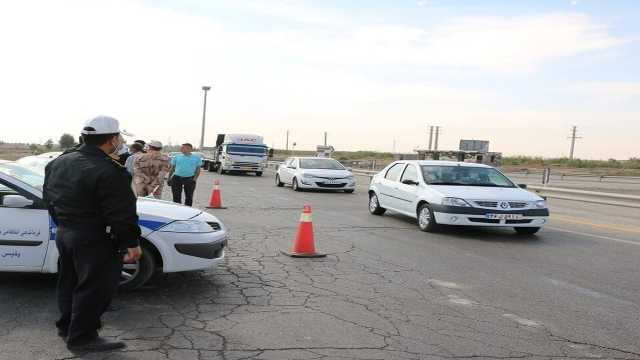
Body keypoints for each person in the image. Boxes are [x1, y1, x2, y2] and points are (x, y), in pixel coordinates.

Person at [43, 115, 142, 352]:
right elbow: (120, 212)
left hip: (66, 232)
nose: (119, 141)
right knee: (95, 288)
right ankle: (82, 337)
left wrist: (65, 224)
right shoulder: (109, 170)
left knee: (69, 282)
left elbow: (49, 198)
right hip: (95, 238)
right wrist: (131, 242)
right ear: (110, 140)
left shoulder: (60, 161)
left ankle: (67, 326)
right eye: (118, 137)